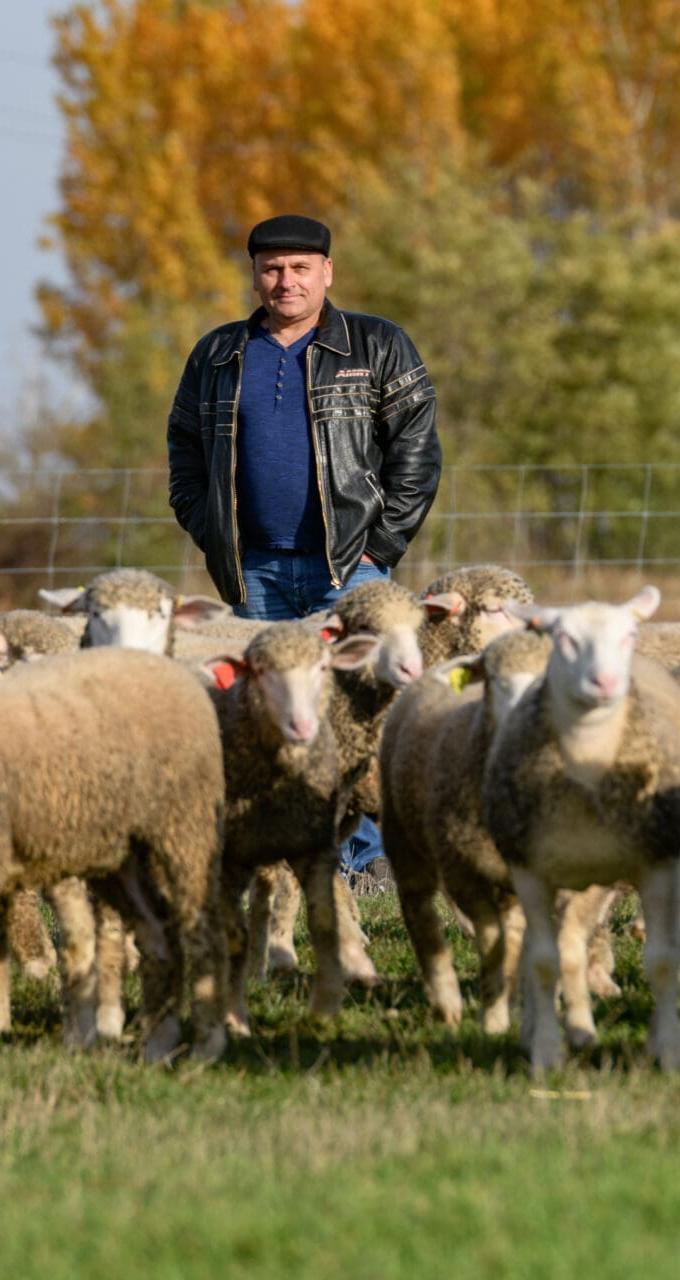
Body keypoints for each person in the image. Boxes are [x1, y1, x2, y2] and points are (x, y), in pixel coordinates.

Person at [167, 213, 441, 875]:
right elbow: (184, 449)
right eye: (271, 269)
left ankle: (371, 857)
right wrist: (211, 529)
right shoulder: (218, 355)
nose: (284, 281)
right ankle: (286, 859)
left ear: (326, 272)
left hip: (349, 567)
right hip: (254, 571)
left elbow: (417, 454)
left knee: (361, 709)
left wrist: (378, 551)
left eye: (298, 269)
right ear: (255, 274)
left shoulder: (377, 345)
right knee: (265, 711)